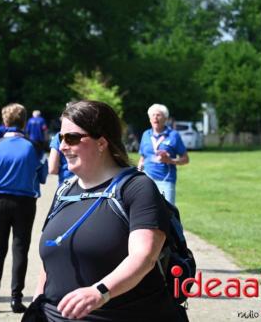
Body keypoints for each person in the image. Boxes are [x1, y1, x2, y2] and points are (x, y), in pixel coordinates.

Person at [34, 100, 187, 321]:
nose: (63, 146)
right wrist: (37, 306)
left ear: (101, 142)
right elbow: (50, 262)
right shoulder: (64, 191)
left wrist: (100, 292)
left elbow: (144, 256)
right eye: (60, 138)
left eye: (72, 138)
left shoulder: (137, 188)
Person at [0, 103, 48, 314]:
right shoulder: (34, 147)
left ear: (5, 122)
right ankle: (15, 299)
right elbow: (43, 176)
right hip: (25, 202)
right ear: (25, 121)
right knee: (20, 248)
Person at [137, 104, 189, 205]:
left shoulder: (173, 135)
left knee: (167, 214)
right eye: (153, 115)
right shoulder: (145, 134)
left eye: (158, 115)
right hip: (146, 181)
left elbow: (185, 159)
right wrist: (138, 174)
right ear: (149, 119)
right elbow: (142, 158)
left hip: (165, 181)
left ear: (165, 118)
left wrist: (170, 160)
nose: (155, 118)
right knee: (147, 211)